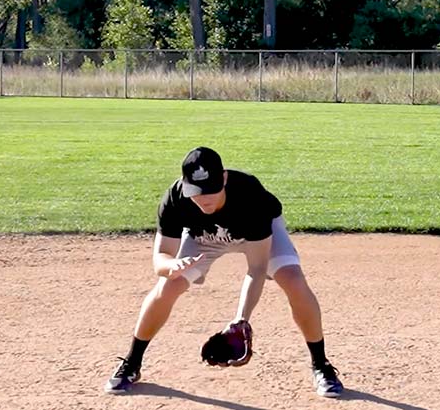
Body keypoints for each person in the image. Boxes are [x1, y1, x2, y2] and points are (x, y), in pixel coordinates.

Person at [103, 146, 344, 398]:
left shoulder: (250, 195)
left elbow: (257, 268)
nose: (204, 198)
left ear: (225, 178)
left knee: (292, 280)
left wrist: (241, 320)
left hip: (258, 233)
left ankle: (321, 366)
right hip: (203, 239)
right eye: (196, 192)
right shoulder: (175, 199)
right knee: (168, 286)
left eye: (211, 190)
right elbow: (160, 260)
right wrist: (172, 267)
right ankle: (132, 362)